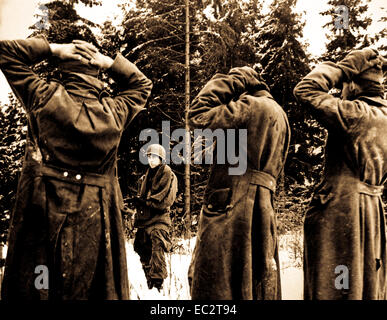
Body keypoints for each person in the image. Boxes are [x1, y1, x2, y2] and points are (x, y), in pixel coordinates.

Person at [0, 36, 152, 300]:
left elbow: (4, 52)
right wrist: (109, 63)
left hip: (43, 216)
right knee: (94, 289)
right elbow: (142, 83)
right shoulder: (114, 111)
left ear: (63, 69)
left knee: (40, 284)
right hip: (96, 222)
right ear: (96, 74)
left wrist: (52, 48)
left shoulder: (42, 96)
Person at [187, 66, 290, 300]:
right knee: (255, 282)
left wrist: (231, 79)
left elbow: (197, 113)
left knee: (216, 284)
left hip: (231, 205)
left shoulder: (250, 106)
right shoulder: (280, 114)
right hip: (262, 208)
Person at [294, 48, 387, 300]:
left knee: (334, 287)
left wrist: (341, 68)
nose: (341, 91)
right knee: (364, 286)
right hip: (372, 213)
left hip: (340, 210)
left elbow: (305, 90)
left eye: (345, 85)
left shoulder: (354, 113)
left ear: (354, 86)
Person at [133, 144, 178, 291]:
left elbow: (166, 201)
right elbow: (143, 196)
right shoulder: (146, 176)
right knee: (141, 247)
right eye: (149, 157)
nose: (151, 160)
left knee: (157, 245)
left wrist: (146, 202)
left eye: (154, 157)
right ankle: (149, 282)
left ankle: (158, 284)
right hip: (145, 220)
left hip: (160, 219)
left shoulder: (168, 174)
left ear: (161, 158)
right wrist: (139, 203)